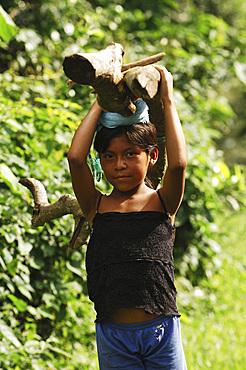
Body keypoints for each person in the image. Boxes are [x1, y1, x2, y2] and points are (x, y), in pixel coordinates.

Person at [67, 65, 187, 369]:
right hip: (113, 336)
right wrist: (101, 101)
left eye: (131, 153)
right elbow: (76, 158)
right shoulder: (97, 207)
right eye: (109, 156)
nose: (119, 164)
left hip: (162, 333)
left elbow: (179, 164)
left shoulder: (163, 202)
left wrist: (168, 99)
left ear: (152, 155)